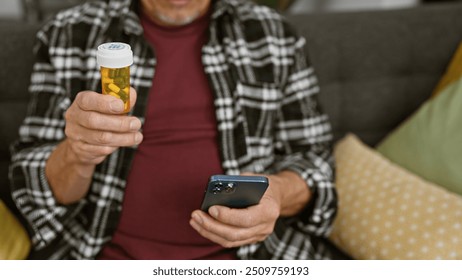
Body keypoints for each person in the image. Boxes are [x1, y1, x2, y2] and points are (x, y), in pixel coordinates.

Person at [9, 0, 337, 260]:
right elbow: (35, 186)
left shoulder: (275, 34)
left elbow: (316, 162)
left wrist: (278, 191)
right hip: (104, 257)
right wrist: (77, 152)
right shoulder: (68, 34)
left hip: (254, 260)